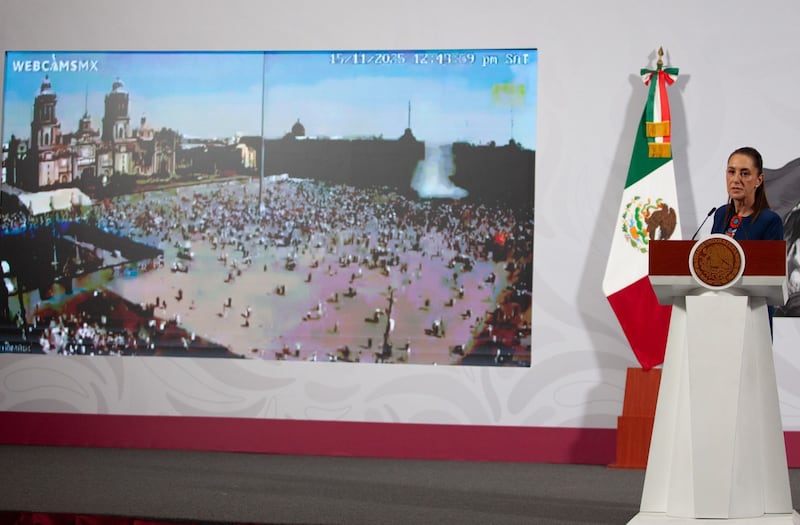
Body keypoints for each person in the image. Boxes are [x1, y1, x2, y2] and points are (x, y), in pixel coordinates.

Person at [710, 146, 785, 330]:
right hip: (717, 312)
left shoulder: (770, 220)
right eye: (731, 172)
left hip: (752, 316)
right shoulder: (720, 214)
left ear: (759, 180)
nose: (736, 179)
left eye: (745, 173)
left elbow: (771, 277)